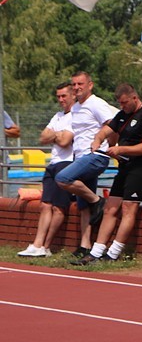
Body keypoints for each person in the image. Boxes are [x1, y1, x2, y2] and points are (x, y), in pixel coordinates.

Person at [72, 84, 142, 264]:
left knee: (128, 208)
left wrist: (121, 149)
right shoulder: (122, 115)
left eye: (125, 103)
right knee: (110, 208)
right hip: (125, 166)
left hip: (141, 167)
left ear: (134, 98)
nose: (122, 106)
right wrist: (97, 141)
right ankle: (96, 252)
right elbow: (105, 131)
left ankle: (113, 253)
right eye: (120, 103)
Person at [54, 71, 118, 257]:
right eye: (74, 84)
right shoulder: (75, 108)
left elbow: (112, 125)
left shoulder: (96, 104)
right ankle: (85, 246)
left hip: (95, 156)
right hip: (80, 157)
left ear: (90, 85)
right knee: (83, 206)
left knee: (62, 178)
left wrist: (110, 145)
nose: (76, 88)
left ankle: (98, 201)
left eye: (80, 84)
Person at [18, 83, 76, 257]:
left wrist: (55, 135)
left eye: (64, 96)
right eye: (58, 96)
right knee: (45, 205)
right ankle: (37, 244)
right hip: (53, 164)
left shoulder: (77, 116)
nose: (61, 99)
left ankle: (46, 246)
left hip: (67, 163)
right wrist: (58, 134)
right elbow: (43, 137)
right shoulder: (57, 116)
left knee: (58, 207)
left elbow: (65, 141)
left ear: (73, 95)